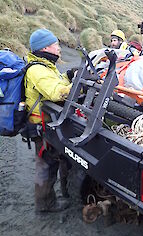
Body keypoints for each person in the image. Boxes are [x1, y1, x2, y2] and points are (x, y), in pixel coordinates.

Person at [25, 28, 75, 213]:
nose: (59, 48)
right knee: (46, 165)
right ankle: (45, 205)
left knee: (57, 159)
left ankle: (64, 192)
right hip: (42, 126)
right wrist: (78, 86)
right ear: (45, 48)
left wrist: (68, 76)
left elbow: (55, 82)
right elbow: (56, 93)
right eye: (56, 45)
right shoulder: (37, 70)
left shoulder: (44, 66)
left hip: (49, 123)